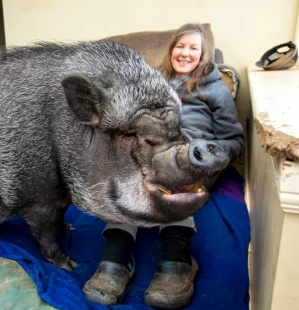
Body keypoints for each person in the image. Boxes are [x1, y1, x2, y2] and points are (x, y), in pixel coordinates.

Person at [82, 23, 245, 309]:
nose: (185, 53)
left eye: (193, 48)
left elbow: (233, 140)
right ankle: (116, 257)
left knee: (175, 179)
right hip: (155, 151)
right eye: (180, 46)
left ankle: (178, 257)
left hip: (193, 158)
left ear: (203, 55)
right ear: (171, 50)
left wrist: (210, 155)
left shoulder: (216, 90)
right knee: (128, 177)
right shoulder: (152, 84)